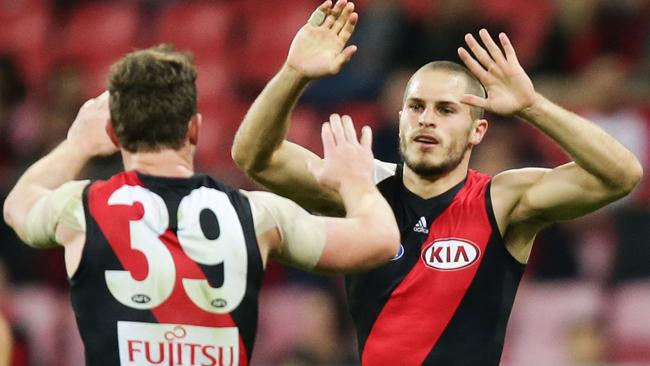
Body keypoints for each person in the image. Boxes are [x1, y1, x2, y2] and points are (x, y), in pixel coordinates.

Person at [231, 0, 644, 364]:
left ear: (477, 131)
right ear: (400, 119)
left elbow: (621, 175)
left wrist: (533, 106)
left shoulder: (501, 200)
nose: (426, 118)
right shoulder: (364, 190)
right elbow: (253, 157)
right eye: (416, 107)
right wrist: (293, 73)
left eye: (446, 109)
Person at [2, 44, 399, 366]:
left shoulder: (82, 209)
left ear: (114, 132)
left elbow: (18, 206)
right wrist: (357, 183)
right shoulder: (257, 214)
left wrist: (77, 144)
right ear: (194, 127)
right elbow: (379, 240)